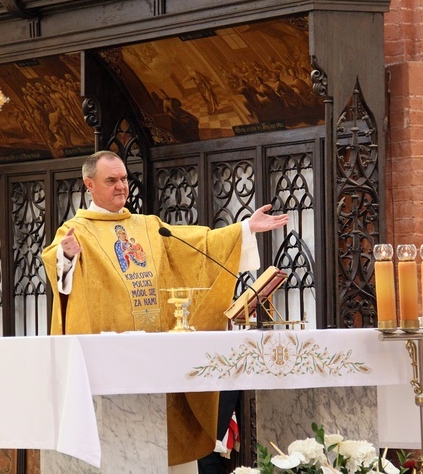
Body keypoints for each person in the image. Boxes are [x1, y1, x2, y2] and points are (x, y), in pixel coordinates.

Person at [41, 150, 288, 469]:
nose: (121, 186)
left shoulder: (148, 226)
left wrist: (245, 229)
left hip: (156, 360)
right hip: (111, 364)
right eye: (111, 180)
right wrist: (67, 256)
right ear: (89, 184)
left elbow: (198, 245)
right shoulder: (77, 231)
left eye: (124, 179)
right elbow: (56, 264)